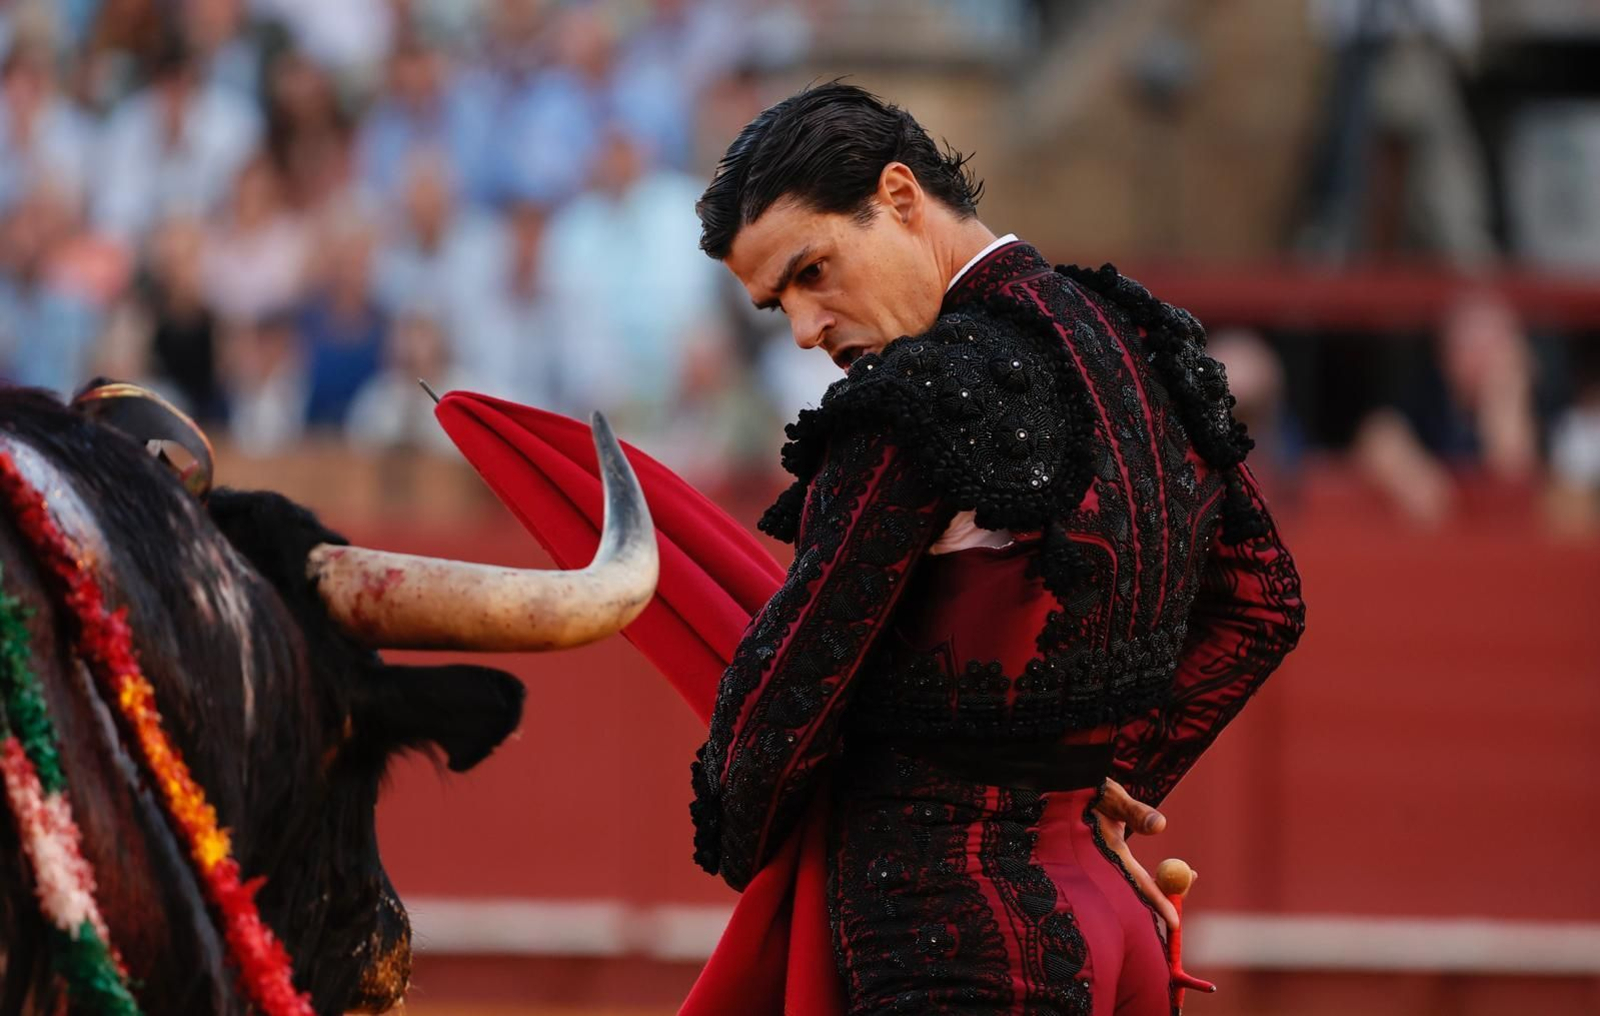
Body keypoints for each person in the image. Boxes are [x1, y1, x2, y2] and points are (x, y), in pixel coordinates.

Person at [687, 83, 1306, 1014]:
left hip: (946, 926)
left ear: (901, 197)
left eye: (813, 272)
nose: (809, 329)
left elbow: (788, 697)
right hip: (1112, 920)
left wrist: (746, 818)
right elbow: (1263, 605)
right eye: (778, 307)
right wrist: (1112, 782)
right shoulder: (1142, 339)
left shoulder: (914, 395)